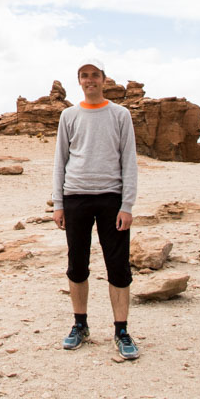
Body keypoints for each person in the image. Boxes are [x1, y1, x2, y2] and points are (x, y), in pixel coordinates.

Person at [51, 58, 139, 360]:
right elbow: (60, 160)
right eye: (84, 76)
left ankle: (121, 330)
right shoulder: (69, 115)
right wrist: (58, 204)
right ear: (79, 81)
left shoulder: (120, 114)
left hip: (111, 198)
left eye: (95, 75)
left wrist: (127, 205)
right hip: (76, 197)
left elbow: (129, 161)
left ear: (104, 79)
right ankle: (80, 325)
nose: (90, 80)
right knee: (77, 265)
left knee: (118, 266)